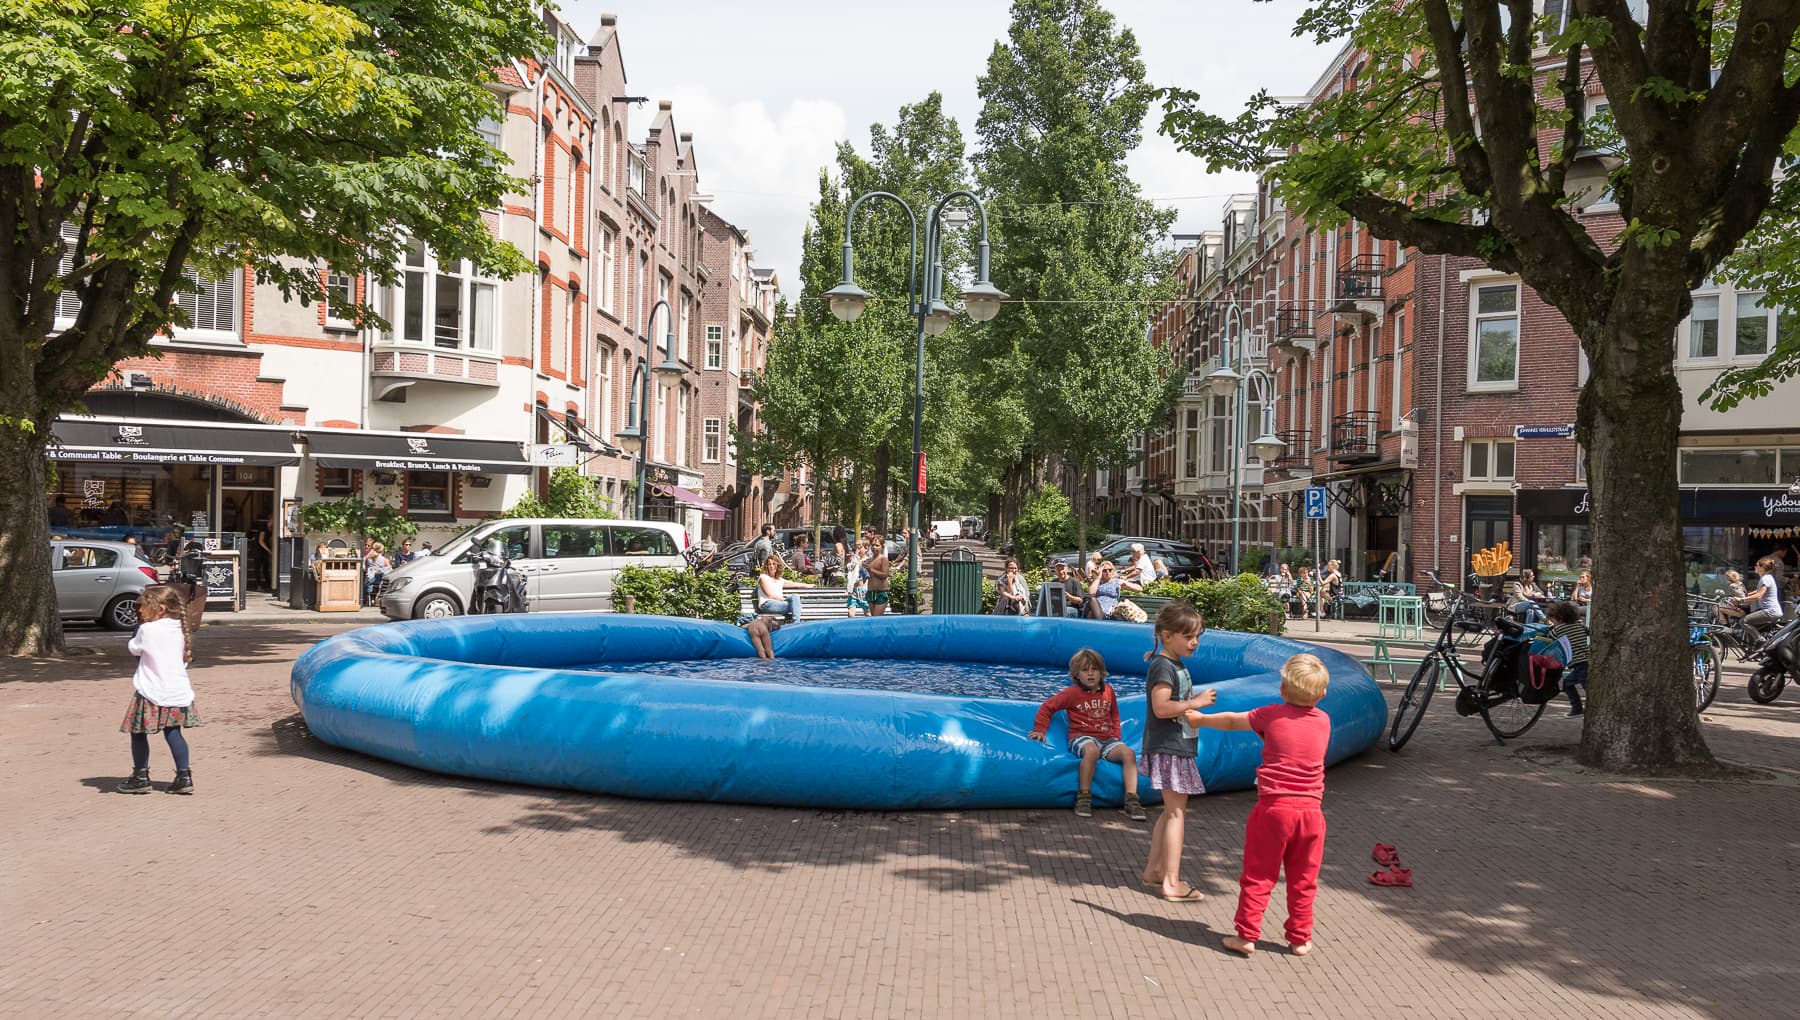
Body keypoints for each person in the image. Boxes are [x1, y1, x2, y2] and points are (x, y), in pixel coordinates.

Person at [1189, 653, 1332, 958]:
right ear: (1322, 694)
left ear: (1281, 690)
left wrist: (1200, 719)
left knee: (1259, 874)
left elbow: (1231, 720)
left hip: (1274, 810)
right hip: (1311, 814)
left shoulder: (1271, 715)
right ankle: (1300, 939)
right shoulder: (1324, 721)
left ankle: (1247, 935)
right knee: (1304, 879)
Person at [1138, 602, 1217, 902]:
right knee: (1175, 814)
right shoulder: (1163, 666)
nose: (1194, 642)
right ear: (1167, 635)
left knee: (1171, 812)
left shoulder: (1173, 664)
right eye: (1188, 636)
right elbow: (1161, 708)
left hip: (1175, 744)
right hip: (1171, 747)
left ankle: (1154, 871)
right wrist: (1193, 703)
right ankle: (1171, 881)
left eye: (1197, 636)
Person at [1028, 648, 1147, 821]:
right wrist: (1040, 729)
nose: (1090, 674)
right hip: (1082, 737)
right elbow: (1048, 707)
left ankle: (1132, 800)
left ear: (1101, 672)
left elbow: (1114, 715)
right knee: (1092, 752)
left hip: (1107, 739)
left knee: (1128, 753)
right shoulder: (1072, 693)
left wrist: (1116, 736)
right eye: (1085, 670)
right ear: (1077, 675)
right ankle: (1084, 796)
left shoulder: (1108, 691)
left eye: (1094, 669)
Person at [116, 586, 201, 795]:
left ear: (160, 608)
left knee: (138, 733)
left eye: (144, 607)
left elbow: (134, 648)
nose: (141, 611)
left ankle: (140, 776)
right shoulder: (180, 629)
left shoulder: (147, 630)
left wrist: (138, 630)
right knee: (173, 733)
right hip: (177, 691)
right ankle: (184, 776)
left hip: (150, 690)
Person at [1545, 601, 1591, 718]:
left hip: (1578, 662)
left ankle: (1578, 708)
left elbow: (1549, 640)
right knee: (1568, 683)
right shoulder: (1579, 626)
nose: (1552, 623)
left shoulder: (1557, 630)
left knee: (1585, 687)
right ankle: (1577, 709)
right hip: (1586, 660)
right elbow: (1588, 631)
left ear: (1559, 618)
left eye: (1553, 620)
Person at [755, 555, 811, 621]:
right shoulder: (763, 577)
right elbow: (770, 595)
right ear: (766, 566)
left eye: (773, 564)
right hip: (767, 605)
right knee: (796, 606)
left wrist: (807, 585)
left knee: (795, 597)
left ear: (777, 565)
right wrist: (784, 599)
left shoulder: (779, 580)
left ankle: (796, 622)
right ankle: (796, 623)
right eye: (769, 564)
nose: (771, 566)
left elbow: (793, 584)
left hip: (779, 603)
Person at [1740, 556, 1785, 638]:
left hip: (1770, 611)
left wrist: (1742, 599)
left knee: (1743, 621)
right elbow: (1758, 591)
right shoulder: (1767, 578)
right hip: (1771, 611)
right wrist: (1746, 595)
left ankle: (1760, 640)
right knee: (1752, 627)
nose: (1755, 567)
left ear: (1763, 568)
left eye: (1757, 565)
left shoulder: (1766, 579)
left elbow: (1759, 595)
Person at [865, 541, 891, 617]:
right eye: (872, 545)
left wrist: (871, 570)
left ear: (882, 547)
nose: (874, 547)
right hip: (871, 591)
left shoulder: (883, 559)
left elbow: (885, 575)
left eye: (877, 545)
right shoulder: (870, 559)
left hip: (881, 592)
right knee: (872, 617)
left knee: (876, 617)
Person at [846, 540, 871, 617]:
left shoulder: (869, 560)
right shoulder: (854, 560)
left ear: (866, 548)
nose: (858, 549)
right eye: (856, 546)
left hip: (864, 590)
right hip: (854, 590)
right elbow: (850, 568)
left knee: (868, 613)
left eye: (860, 547)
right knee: (850, 613)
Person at [363, 541, 390, 605]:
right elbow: (390, 569)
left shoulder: (369, 558)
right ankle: (381, 593)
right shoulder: (385, 560)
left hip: (370, 580)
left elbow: (364, 561)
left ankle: (368, 599)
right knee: (387, 571)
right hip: (380, 580)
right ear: (382, 550)